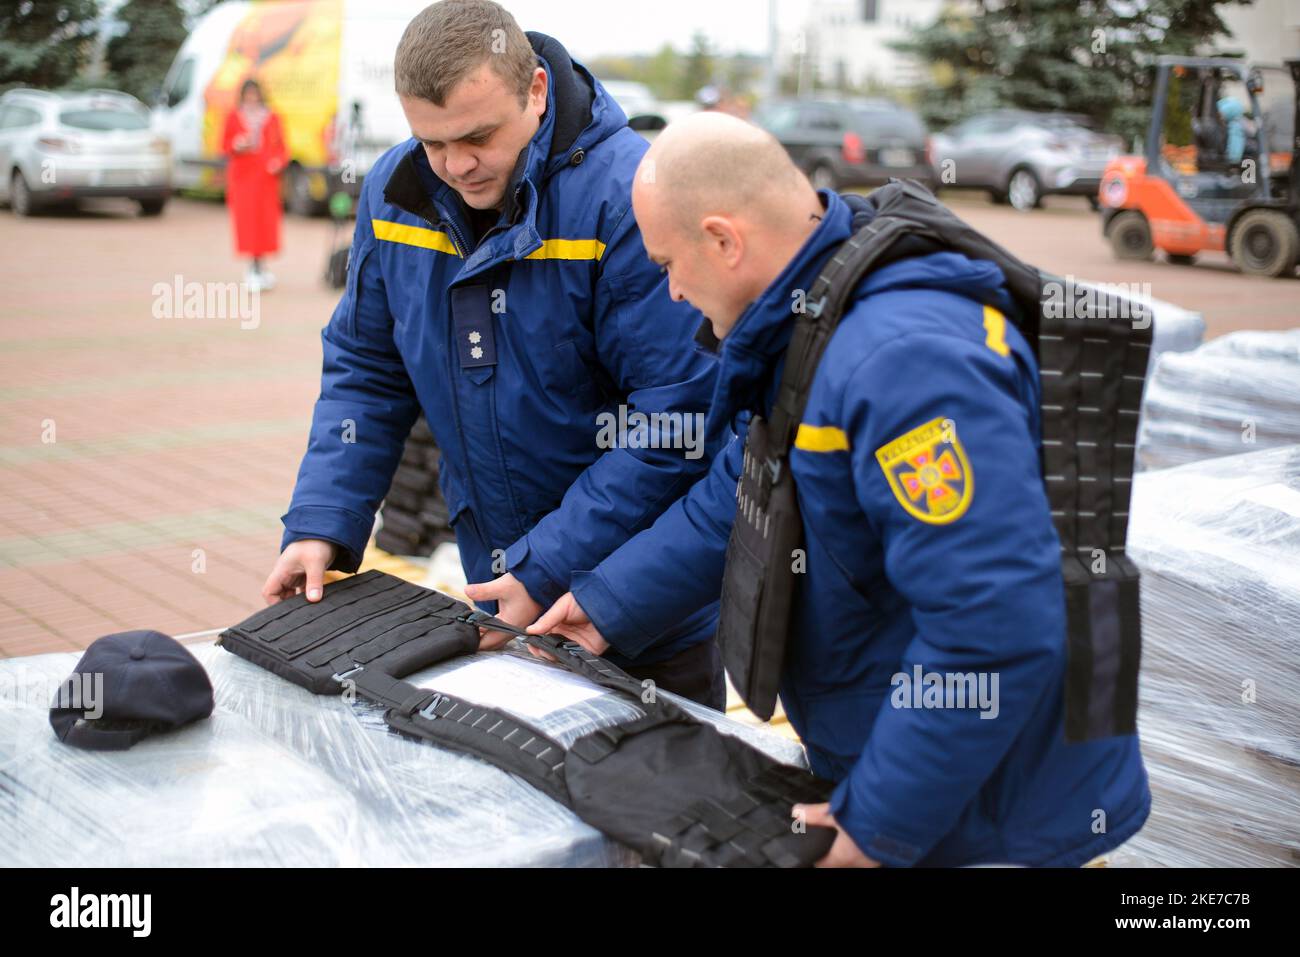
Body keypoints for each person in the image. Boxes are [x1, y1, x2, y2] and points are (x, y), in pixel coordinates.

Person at [530, 113, 1151, 867]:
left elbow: (994, 622)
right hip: (904, 772)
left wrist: (877, 821)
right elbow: (747, 488)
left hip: (986, 811)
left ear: (725, 240)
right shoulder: (812, 314)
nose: (673, 289)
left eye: (669, 262)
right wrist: (605, 607)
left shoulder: (902, 363)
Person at [260, 0, 725, 708]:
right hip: (502, 595)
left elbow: (675, 419)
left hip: (642, 614)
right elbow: (366, 372)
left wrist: (550, 563)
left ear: (536, 90)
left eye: (478, 136)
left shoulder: (629, 197)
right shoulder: (395, 193)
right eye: (432, 142)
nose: (455, 166)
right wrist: (323, 520)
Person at [221, 78, 288, 292]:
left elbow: (283, 148)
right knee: (248, 222)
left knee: (265, 222)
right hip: (243, 178)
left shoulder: (272, 116)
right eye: (248, 94)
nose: (251, 98)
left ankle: (262, 266)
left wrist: (278, 161)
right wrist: (237, 144)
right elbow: (224, 144)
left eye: (254, 94)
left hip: (266, 179)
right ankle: (252, 266)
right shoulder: (234, 116)